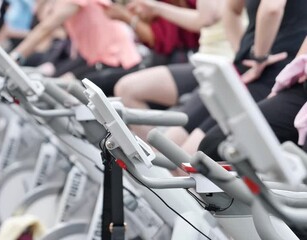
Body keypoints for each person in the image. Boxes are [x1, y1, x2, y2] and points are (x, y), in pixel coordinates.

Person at [163, 0, 307, 155]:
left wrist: (258, 57)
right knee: (185, 153)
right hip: (250, 71)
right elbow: (231, 9)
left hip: (271, 73)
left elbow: (271, 8)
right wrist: (248, 53)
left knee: (193, 156)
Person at [113, 0, 233, 141]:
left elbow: (205, 18)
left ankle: (159, 154)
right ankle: (153, 153)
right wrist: (156, 9)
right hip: (201, 62)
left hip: (222, 67)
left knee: (173, 147)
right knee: (126, 89)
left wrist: (130, 18)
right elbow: (199, 21)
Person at [199, 36, 307, 161]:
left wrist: (259, 57)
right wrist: (290, 75)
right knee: (213, 146)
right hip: (297, 87)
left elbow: (270, 14)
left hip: (268, 75)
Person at [9, 0, 142, 79]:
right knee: (55, 83)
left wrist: (15, 57)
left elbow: (47, 27)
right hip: (96, 58)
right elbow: (43, 17)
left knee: (63, 88)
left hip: (117, 59)